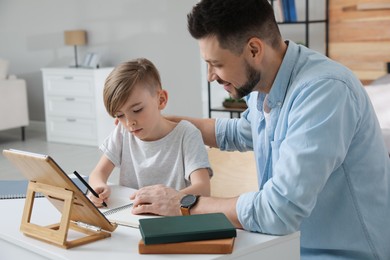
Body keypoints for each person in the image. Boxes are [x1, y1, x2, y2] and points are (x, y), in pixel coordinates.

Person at [129, 0, 390, 259]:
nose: (210, 76)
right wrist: (162, 124)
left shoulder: (324, 91)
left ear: (254, 49)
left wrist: (183, 203)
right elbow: (239, 132)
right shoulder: (263, 85)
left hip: (343, 254)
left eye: (217, 64)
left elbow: (278, 212)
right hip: (285, 245)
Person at [88, 58, 212, 207]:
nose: (129, 123)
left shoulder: (187, 134)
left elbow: (203, 190)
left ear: (161, 100)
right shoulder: (122, 133)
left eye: (137, 110)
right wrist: (98, 187)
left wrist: (171, 199)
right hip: (133, 216)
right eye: (120, 115)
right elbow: (98, 174)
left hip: (174, 219)